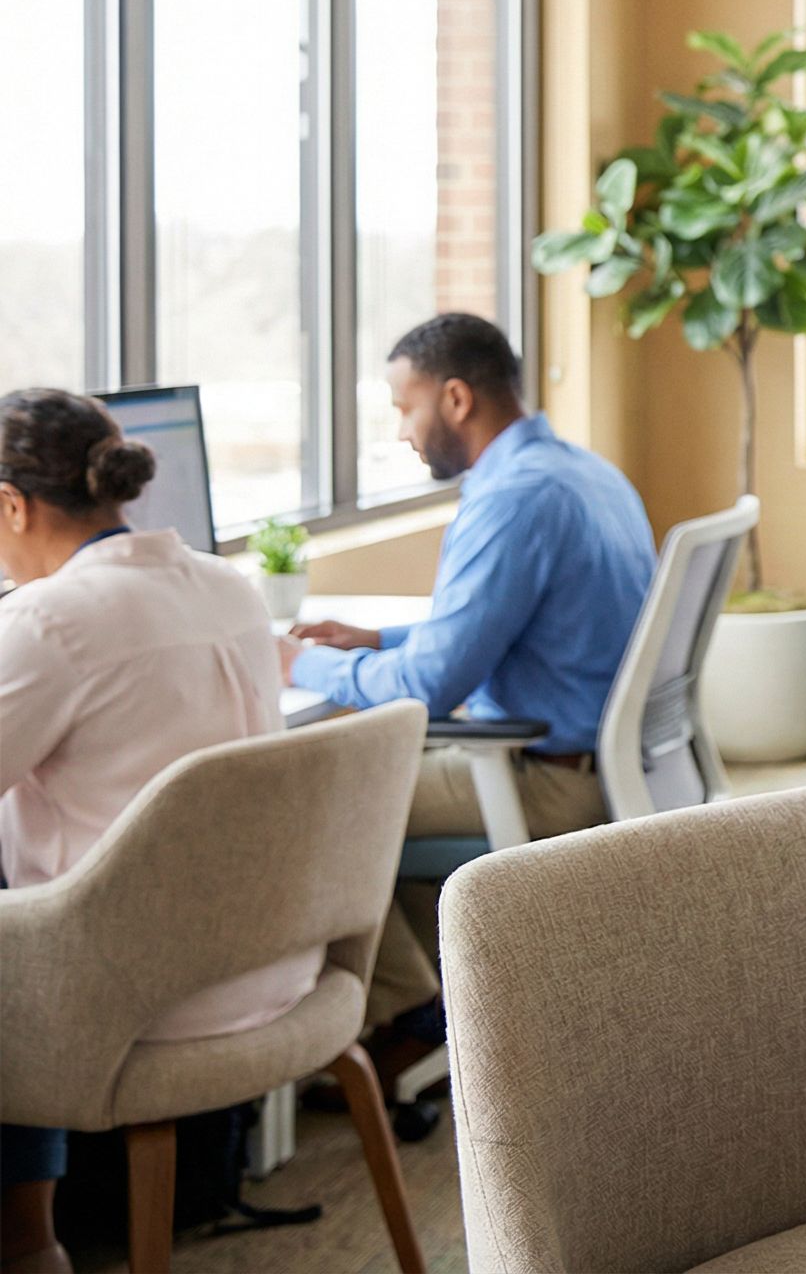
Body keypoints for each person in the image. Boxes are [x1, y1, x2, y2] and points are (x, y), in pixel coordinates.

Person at [282, 313, 655, 1067]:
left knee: (309, 808)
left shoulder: (511, 499)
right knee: (364, 788)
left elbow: (426, 687)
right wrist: (373, 640)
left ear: (455, 399)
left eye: (404, 406)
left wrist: (294, 665)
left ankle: (401, 1015)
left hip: (540, 780)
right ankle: (421, 1009)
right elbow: (504, 627)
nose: (402, 430)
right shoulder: (581, 471)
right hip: (599, 764)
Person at [0, 389, 295, 1274]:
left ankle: (28, 1243)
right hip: (272, 962)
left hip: (139, 992)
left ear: (11, 505)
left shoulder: (48, 620)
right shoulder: (230, 587)